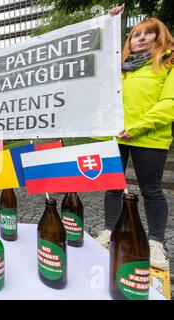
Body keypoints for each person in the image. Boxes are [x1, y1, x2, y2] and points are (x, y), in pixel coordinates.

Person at [96, 5, 174, 270]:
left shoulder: (168, 62)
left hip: (148, 137)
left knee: (151, 191)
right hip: (116, 137)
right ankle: (109, 231)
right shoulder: (120, 66)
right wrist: (109, 22)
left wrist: (139, 126)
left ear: (158, 37)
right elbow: (97, 57)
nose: (139, 38)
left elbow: (169, 103)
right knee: (113, 187)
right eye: (135, 35)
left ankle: (155, 243)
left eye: (146, 34)